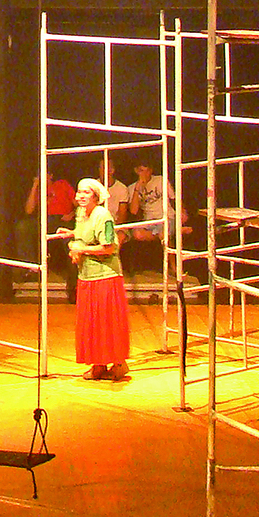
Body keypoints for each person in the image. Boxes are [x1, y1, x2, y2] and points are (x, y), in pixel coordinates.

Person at [56, 178, 129, 381]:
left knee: (107, 321)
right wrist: (71, 235)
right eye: (79, 192)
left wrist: (81, 249)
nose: (80, 196)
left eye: (86, 193)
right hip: (86, 275)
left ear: (96, 197)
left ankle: (118, 363)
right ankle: (98, 364)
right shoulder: (81, 213)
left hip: (105, 276)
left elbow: (109, 247)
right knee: (92, 323)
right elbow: (84, 236)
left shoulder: (102, 216)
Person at [123, 161, 171, 277]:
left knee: (164, 233)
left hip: (166, 217)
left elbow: (174, 198)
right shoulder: (132, 188)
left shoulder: (160, 180)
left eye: (146, 170)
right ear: (136, 171)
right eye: (140, 171)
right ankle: (160, 234)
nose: (143, 174)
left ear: (151, 170)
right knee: (137, 234)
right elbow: (133, 211)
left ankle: (173, 268)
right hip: (149, 222)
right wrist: (138, 188)